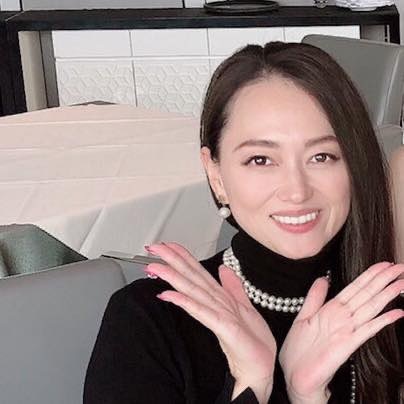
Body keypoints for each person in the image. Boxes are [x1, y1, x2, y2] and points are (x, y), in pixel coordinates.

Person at [83, 41, 404, 404]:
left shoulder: (387, 313)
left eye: (321, 156)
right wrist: (251, 385)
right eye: (260, 160)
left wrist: (307, 395)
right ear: (216, 175)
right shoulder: (147, 322)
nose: (297, 191)